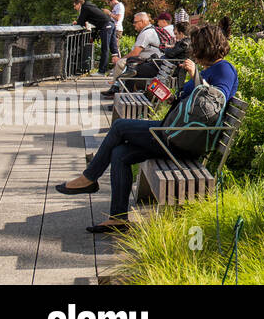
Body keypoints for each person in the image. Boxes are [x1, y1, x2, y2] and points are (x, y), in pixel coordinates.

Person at [56, 21, 237, 233]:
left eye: (197, 45)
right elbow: (195, 103)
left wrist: (195, 74)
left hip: (183, 140)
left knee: (120, 127)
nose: (193, 50)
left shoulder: (224, 69)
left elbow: (216, 101)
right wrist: (171, 98)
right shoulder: (213, 69)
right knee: (120, 153)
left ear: (207, 46)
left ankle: (89, 177)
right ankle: (118, 218)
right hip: (175, 132)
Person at [103, 11, 164, 95]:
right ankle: (116, 88)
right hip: (148, 62)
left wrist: (120, 59)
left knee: (121, 63)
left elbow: (135, 53)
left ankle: (116, 89)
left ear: (142, 22)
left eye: (135, 22)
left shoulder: (146, 33)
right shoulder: (148, 30)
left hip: (149, 63)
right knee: (127, 66)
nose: (133, 24)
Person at [72, 0, 115, 74]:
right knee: (113, 49)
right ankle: (118, 69)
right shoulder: (89, 6)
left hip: (106, 26)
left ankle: (101, 71)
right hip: (111, 24)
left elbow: (81, 22)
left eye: (75, 6)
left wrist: (76, 23)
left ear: (79, 4)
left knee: (105, 49)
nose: (74, 8)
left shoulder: (84, 8)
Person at [106, 0, 125, 68]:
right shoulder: (116, 7)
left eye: (108, 2)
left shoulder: (119, 6)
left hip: (117, 29)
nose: (109, 4)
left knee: (116, 49)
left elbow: (118, 18)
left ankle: (119, 67)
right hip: (114, 28)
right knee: (114, 49)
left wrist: (109, 13)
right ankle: (116, 67)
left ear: (113, 0)